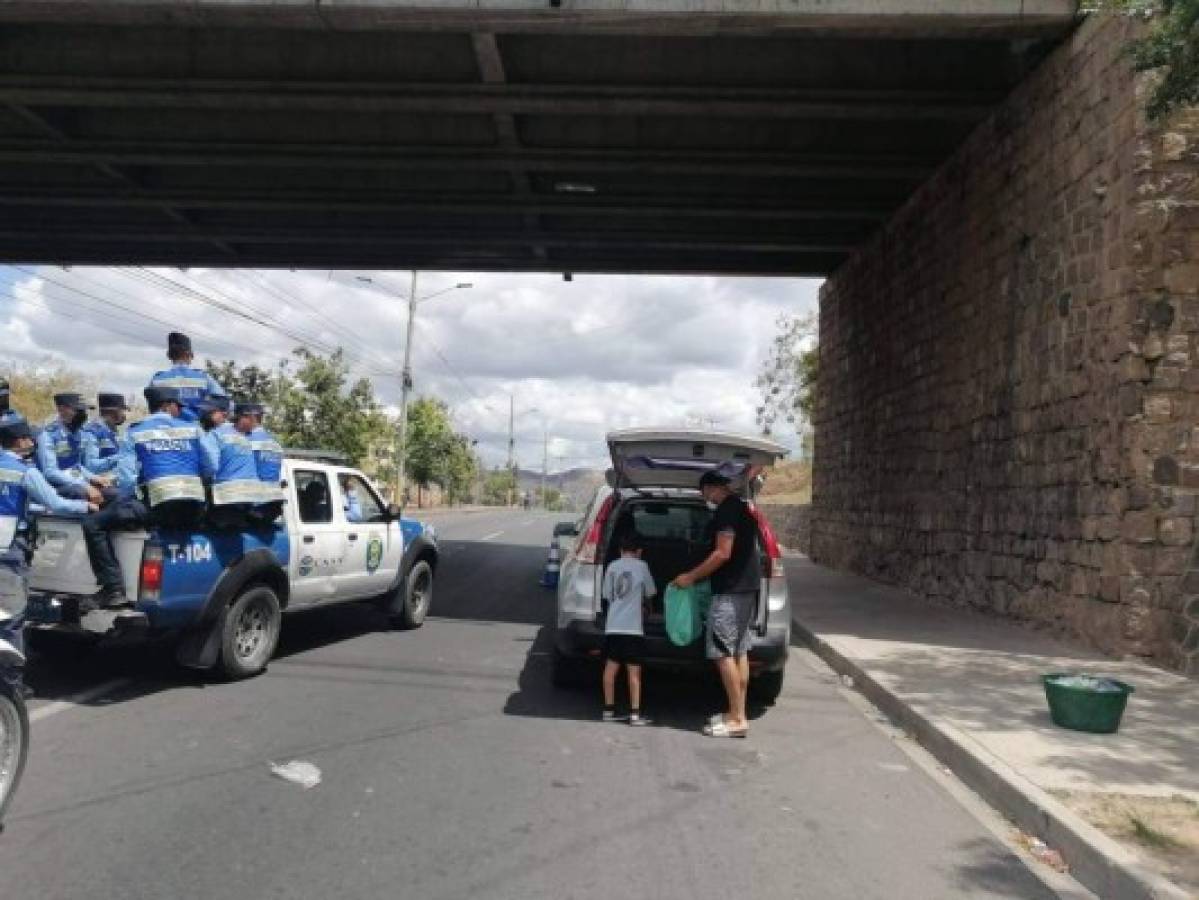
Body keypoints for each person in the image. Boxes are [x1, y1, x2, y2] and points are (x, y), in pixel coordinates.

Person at [81, 385, 213, 608]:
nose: (179, 411)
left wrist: (129, 500)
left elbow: (126, 480)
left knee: (93, 524)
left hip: (159, 508)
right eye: (177, 407)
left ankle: (113, 590)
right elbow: (211, 467)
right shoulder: (193, 429)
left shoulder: (135, 431)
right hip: (194, 509)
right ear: (168, 405)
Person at [672, 470, 760, 738]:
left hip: (730, 592)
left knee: (722, 654)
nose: (705, 498)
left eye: (704, 493)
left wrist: (691, 577)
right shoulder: (743, 508)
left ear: (711, 489)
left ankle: (736, 719)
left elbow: (723, 553)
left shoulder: (726, 512)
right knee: (738, 652)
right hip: (747, 590)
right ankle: (737, 713)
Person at [0, 420, 95, 646]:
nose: (33, 442)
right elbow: (55, 503)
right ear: (19, 441)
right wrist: (85, 507)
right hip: (9, 550)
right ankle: (11, 681)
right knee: (11, 617)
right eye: (29, 438)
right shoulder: (25, 472)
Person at [600, 533, 656, 726]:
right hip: (633, 629)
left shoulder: (612, 566)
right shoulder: (642, 566)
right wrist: (646, 606)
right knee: (634, 673)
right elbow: (651, 591)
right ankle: (634, 714)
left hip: (613, 627)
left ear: (620, 550)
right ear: (639, 551)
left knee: (610, 669)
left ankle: (608, 710)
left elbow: (607, 594)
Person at [201, 401, 260, 530]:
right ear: (243, 417)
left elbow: (210, 466)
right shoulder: (222, 434)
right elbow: (211, 464)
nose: (256, 422)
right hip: (241, 500)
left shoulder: (219, 434)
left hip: (229, 499)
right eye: (255, 418)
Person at [35, 392, 106, 499]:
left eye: (83, 410)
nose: (82, 414)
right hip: (52, 486)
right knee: (82, 494)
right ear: (62, 410)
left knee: (110, 491)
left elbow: (75, 466)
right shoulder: (48, 435)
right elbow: (50, 472)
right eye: (78, 410)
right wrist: (85, 485)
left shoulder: (77, 433)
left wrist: (93, 477)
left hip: (74, 481)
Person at [149, 331, 226, 423]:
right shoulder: (203, 377)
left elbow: (153, 407)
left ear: (169, 356)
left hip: (165, 430)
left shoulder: (157, 379)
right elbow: (223, 401)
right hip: (195, 429)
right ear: (189, 355)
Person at [248, 404, 285, 524]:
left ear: (252, 418)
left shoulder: (248, 441)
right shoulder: (276, 444)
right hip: (273, 505)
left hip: (255, 506)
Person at [81, 392, 130, 477]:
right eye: (122, 410)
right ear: (115, 411)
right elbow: (91, 466)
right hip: (97, 482)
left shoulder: (113, 431)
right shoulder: (92, 432)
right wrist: (122, 457)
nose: (124, 414)